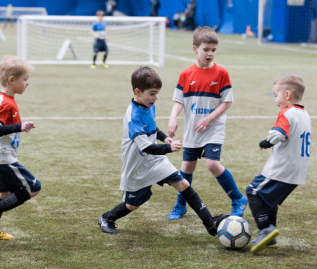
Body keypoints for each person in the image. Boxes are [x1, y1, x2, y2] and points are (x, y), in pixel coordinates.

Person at [98, 66, 229, 236]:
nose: (156, 97)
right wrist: (169, 147)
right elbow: (146, 147)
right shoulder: (132, 117)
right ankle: (107, 218)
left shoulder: (148, 105)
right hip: (138, 166)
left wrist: (163, 137)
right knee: (133, 204)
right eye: (152, 93)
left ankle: (209, 223)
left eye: (157, 93)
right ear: (138, 92)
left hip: (155, 160)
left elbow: (153, 127)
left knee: (183, 185)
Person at [167, 26, 247, 220]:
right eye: (206, 49)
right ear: (195, 49)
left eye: (213, 50)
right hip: (193, 127)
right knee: (187, 168)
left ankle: (238, 199)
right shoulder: (186, 74)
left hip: (213, 127)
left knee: (212, 164)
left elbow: (227, 101)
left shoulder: (221, 73)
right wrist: (173, 117)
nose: (210, 53)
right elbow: (179, 100)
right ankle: (181, 205)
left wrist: (210, 118)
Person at [248, 75, 311, 254]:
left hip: (282, 168)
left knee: (253, 191)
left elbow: (278, 133)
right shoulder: (305, 114)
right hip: (298, 171)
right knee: (270, 200)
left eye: (276, 95)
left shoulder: (287, 113)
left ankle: (265, 228)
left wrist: (266, 142)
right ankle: (271, 238)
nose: (275, 99)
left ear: (288, 95)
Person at [0, 56, 41, 240]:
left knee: (4, 193)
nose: (27, 83)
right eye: (25, 79)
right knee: (34, 187)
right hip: (3, 159)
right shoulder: (5, 103)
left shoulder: (2, 98)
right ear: (11, 80)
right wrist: (18, 127)